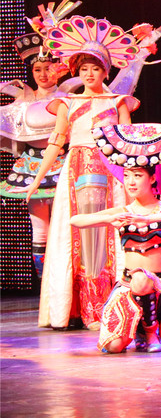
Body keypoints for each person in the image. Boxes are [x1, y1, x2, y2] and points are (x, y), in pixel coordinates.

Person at [18, 15, 154, 330]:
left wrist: (136, 180)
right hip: (76, 171)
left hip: (110, 173)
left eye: (95, 68)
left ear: (106, 71)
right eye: (83, 69)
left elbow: (128, 144)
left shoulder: (117, 102)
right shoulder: (67, 103)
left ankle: (107, 307)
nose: (89, 74)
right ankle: (77, 308)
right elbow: (56, 143)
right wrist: (36, 180)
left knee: (107, 236)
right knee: (77, 237)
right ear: (77, 72)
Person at [72, 123, 161, 353]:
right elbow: (76, 220)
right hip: (127, 289)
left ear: (152, 178)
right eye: (126, 176)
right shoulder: (123, 212)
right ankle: (136, 329)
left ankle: (152, 333)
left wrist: (147, 220)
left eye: (137, 175)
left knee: (142, 279)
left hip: (157, 288)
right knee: (113, 347)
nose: (131, 182)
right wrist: (109, 219)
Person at [0, 28, 70, 283]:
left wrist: (139, 56)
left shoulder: (68, 94)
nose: (43, 74)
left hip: (64, 163)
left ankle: (67, 283)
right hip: (31, 166)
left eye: (48, 68)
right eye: (37, 69)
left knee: (66, 227)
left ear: (58, 69)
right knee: (40, 230)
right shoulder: (23, 96)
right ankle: (46, 286)